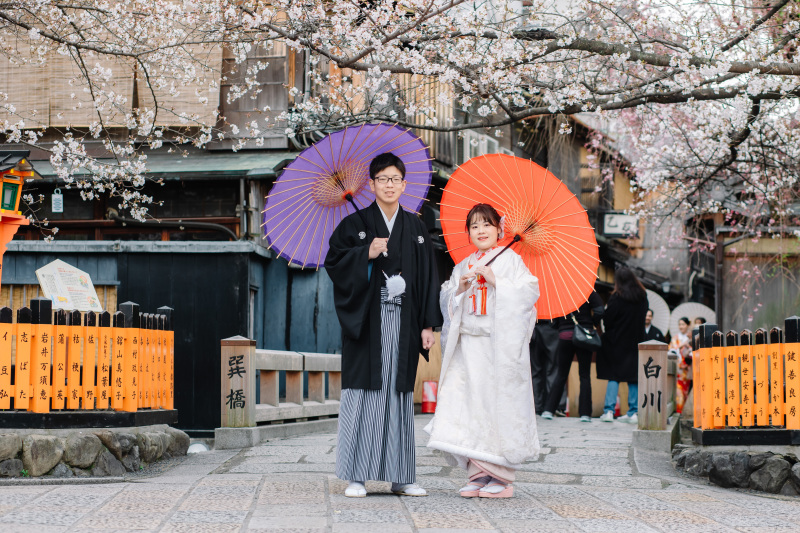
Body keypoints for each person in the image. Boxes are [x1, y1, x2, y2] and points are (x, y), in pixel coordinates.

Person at [325, 152, 443, 498]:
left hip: (405, 320)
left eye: (395, 179)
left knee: (399, 394)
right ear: (372, 184)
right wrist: (365, 253)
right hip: (368, 321)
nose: (389, 185)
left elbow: (428, 277)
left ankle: (401, 476)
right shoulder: (354, 224)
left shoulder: (416, 227)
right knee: (363, 393)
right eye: (382, 179)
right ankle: (356, 476)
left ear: (404, 185)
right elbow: (334, 263)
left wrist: (428, 325)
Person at [426, 203, 540, 499]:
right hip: (468, 346)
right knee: (469, 406)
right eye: (474, 226)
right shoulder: (463, 265)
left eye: (487, 224)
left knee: (494, 405)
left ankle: (501, 477)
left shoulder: (511, 260)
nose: (481, 231)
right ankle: (477, 475)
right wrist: (459, 289)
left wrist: (497, 281)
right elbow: (447, 301)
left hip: (496, 347)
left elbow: (529, 294)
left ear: (499, 229)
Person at [541, 291, 604, 422]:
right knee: (584, 375)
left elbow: (552, 318)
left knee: (561, 374)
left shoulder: (559, 292)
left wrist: (561, 326)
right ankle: (585, 414)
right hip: (584, 335)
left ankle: (548, 410)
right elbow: (599, 310)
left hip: (565, 336)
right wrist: (591, 324)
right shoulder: (587, 290)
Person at [597, 268, 648, 423]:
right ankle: (633, 412)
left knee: (614, 376)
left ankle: (609, 411)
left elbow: (608, 319)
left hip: (616, 342)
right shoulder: (642, 296)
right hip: (635, 342)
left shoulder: (617, 297)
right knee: (633, 377)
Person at [530, 319, 566, 415]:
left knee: (535, 371)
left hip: (533, 328)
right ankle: (556, 405)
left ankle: (536, 406)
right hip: (551, 326)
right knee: (554, 369)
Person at [669, 316, 693, 414]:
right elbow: (671, 350)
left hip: (687, 370)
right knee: (678, 391)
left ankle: (685, 412)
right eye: (679, 324)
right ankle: (678, 411)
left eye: (683, 324)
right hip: (678, 369)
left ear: (688, 325)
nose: (681, 326)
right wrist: (681, 346)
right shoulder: (675, 338)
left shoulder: (690, 337)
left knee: (686, 391)